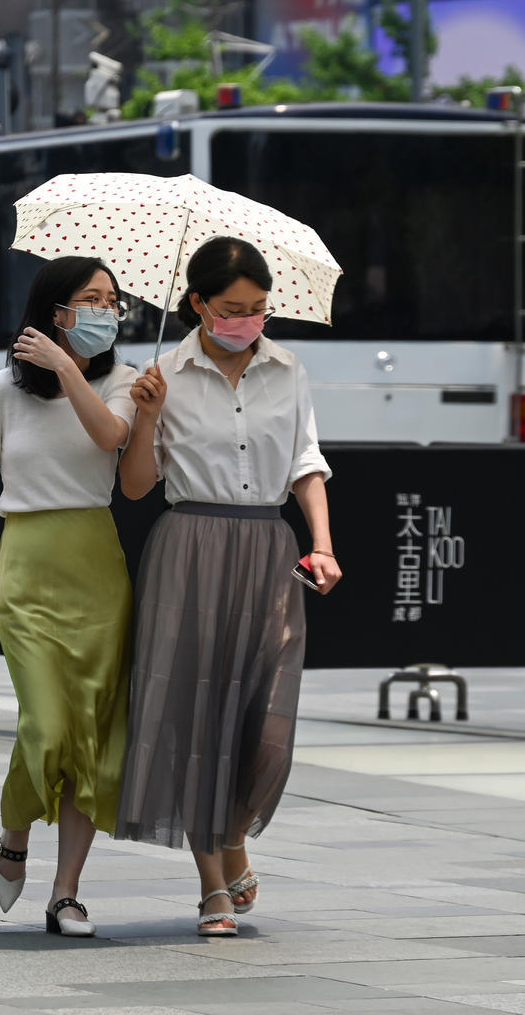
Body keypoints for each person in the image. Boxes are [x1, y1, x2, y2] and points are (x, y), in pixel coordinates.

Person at [115, 236, 343, 938]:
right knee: (196, 717)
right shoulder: (162, 373)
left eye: (258, 309)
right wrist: (146, 413)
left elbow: (306, 461)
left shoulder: (288, 369)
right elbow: (133, 485)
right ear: (197, 305)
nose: (247, 320)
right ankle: (212, 883)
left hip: (268, 546)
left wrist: (322, 543)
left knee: (265, 718)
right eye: (232, 309)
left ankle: (233, 834)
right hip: (190, 547)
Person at [0, 256, 137, 939]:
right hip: (26, 563)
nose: (106, 310)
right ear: (55, 310)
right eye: (91, 298)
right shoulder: (1, 389)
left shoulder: (124, 382)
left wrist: (68, 369)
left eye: (112, 300)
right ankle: (13, 831)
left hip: (97, 566)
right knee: (45, 725)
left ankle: (67, 893)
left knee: (89, 734)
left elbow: (111, 438)